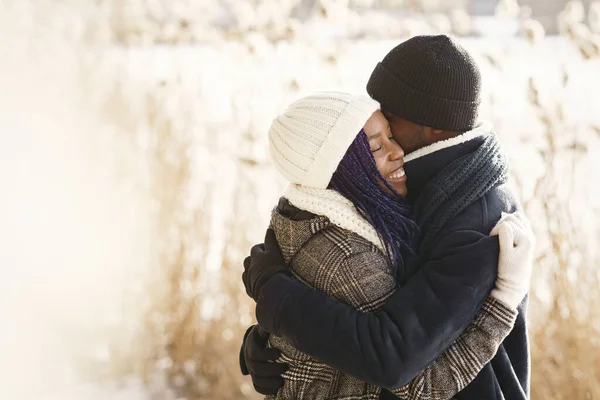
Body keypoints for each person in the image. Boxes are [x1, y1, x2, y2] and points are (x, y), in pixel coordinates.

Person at [241, 35, 533, 400]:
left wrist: (275, 297)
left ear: (435, 128)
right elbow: (349, 293)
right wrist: (274, 344)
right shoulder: (414, 183)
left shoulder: (475, 222)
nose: (381, 132)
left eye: (390, 121)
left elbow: (392, 355)